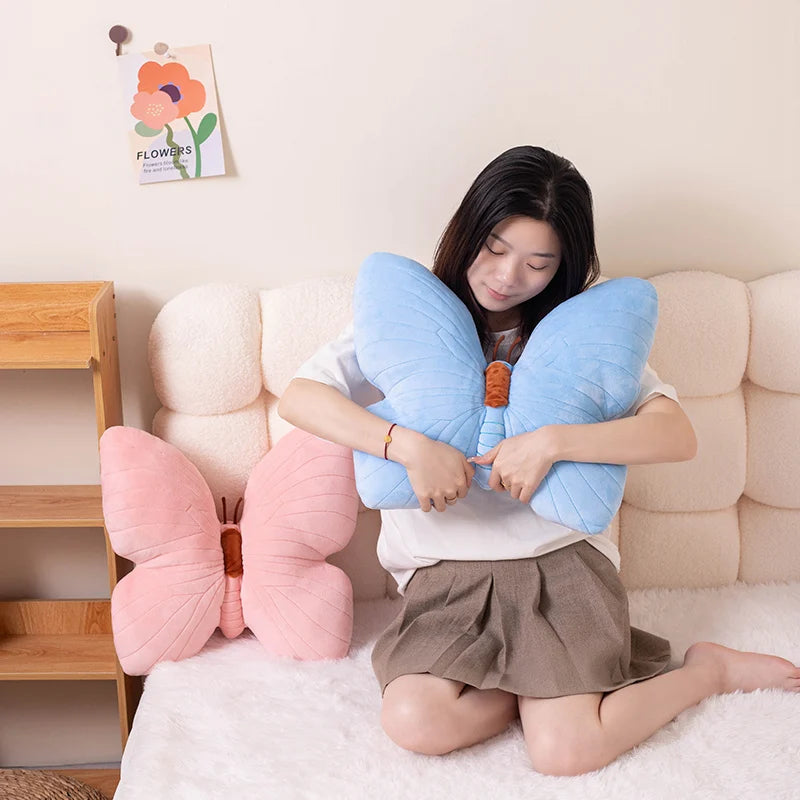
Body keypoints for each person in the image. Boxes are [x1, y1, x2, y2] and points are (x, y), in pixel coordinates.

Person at [278, 145, 800, 776]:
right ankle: (531, 685)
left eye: (537, 263)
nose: (506, 277)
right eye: (495, 248)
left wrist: (554, 441)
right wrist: (404, 445)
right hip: (444, 577)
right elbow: (301, 397)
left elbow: (675, 435)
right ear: (468, 232)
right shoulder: (411, 322)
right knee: (415, 721)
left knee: (566, 752)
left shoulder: (579, 338)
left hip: (562, 570)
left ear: (563, 268)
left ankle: (707, 670)